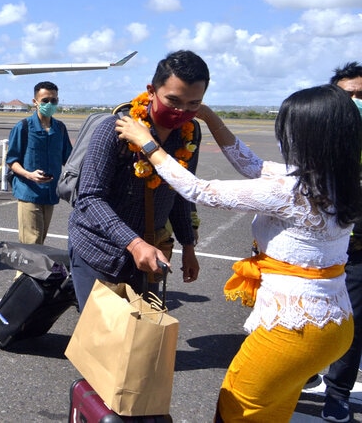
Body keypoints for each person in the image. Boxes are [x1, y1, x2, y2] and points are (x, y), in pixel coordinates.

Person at [116, 84, 362, 422]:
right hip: (333, 324)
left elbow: (197, 190)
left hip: (297, 327)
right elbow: (253, 164)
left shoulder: (291, 190)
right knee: (273, 407)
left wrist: (146, 142)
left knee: (238, 405)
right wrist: (207, 114)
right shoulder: (335, 179)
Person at [68, 50, 208, 305]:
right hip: (100, 251)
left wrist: (188, 246)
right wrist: (133, 244)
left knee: (140, 335)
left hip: (150, 252)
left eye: (193, 105)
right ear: (152, 91)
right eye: (173, 101)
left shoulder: (189, 135)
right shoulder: (115, 130)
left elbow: (181, 192)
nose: (181, 111)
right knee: (103, 337)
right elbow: (89, 198)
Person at [320, 61, 362, 423]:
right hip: (320, 248)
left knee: (353, 323)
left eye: (361, 95)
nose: (355, 102)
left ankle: (337, 394)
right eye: (348, 95)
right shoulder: (321, 139)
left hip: (358, 249)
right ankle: (304, 372)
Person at [6, 81, 72, 245]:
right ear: (35, 102)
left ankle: (27, 271)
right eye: (45, 101)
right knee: (32, 243)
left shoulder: (60, 129)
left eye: (54, 101)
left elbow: (70, 159)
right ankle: (24, 272)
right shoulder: (23, 127)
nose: (50, 104)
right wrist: (29, 174)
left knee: (40, 241)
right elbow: (12, 161)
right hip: (29, 192)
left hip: (50, 195)